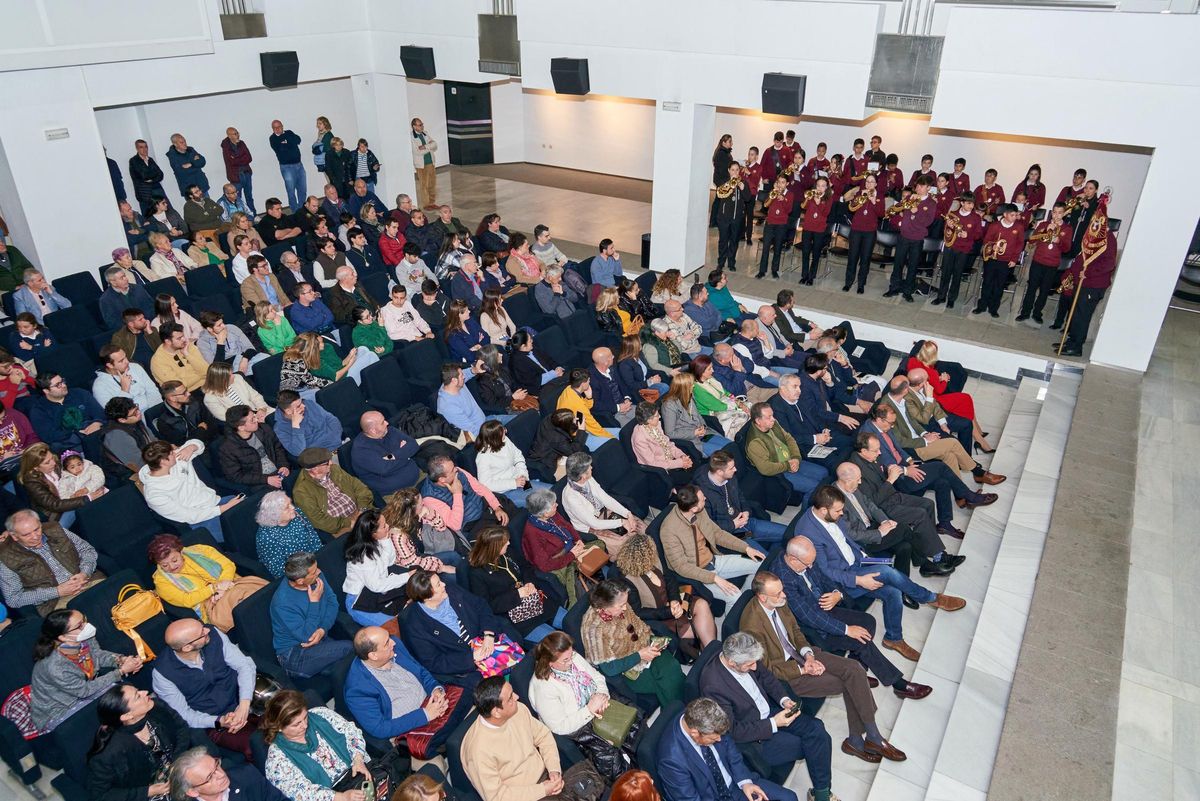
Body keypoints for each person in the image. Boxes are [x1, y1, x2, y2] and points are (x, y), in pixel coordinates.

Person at [738, 571, 903, 765]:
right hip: (788, 676)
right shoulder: (751, 626)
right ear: (762, 597)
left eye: (782, 590)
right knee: (849, 682)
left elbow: (796, 632)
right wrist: (803, 670)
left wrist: (808, 655)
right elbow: (766, 670)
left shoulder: (779, 602)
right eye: (778, 594)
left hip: (801, 656)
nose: (784, 595)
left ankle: (864, 738)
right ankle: (864, 739)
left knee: (855, 669)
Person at [797, 486, 965, 661]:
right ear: (823, 510)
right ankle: (931, 598)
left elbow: (845, 541)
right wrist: (859, 579)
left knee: (893, 591)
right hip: (842, 581)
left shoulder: (831, 515)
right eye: (838, 510)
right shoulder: (808, 533)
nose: (842, 514)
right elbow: (825, 572)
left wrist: (863, 556)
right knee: (888, 572)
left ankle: (894, 638)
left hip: (856, 562)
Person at [772, 535, 934, 699]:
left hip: (825, 607)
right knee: (860, 640)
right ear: (793, 560)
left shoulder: (804, 560)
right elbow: (809, 617)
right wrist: (847, 630)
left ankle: (858, 668)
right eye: (808, 564)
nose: (811, 566)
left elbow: (824, 578)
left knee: (868, 621)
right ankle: (898, 684)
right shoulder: (782, 579)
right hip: (812, 627)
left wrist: (837, 594)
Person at [699, 633, 836, 801]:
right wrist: (774, 723)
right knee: (813, 745)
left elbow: (767, 677)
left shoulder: (745, 654)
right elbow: (733, 731)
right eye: (750, 665)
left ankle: (821, 794)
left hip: (770, 711)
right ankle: (822, 795)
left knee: (817, 729)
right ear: (732, 663)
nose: (755, 667)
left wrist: (784, 700)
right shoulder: (713, 685)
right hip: (755, 737)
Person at [529, 631, 640, 781]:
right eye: (566, 660)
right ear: (550, 663)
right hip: (576, 724)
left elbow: (596, 676)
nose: (571, 661)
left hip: (596, 702)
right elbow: (560, 726)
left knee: (635, 719)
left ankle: (641, 763)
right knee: (610, 758)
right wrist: (590, 710)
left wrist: (602, 696)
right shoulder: (544, 687)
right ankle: (632, 784)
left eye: (571, 654)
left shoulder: (571, 657)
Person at [345, 625, 470, 757]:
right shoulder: (357, 689)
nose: (393, 642)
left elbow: (421, 672)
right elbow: (379, 728)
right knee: (458, 745)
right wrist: (425, 715)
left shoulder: (395, 646)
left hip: (432, 704)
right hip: (412, 728)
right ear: (374, 655)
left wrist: (436, 690)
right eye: (387, 643)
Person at [152, 618, 257, 762]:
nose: (207, 630)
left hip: (246, 697)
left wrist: (244, 704)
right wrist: (220, 721)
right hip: (216, 721)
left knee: (288, 716)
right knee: (255, 745)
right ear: (187, 647)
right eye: (201, 633)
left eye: (203, 627)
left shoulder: (214, 634)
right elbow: (184, 715)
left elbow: (244, 666)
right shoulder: (163, 673)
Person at [402, 569, 521, 691]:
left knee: (520, 666)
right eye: (438, 584)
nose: (444, 584)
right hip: (463, 663)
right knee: (496, 688)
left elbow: (481, 605)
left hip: (485, 639)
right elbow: (434, 662)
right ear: (427, 597)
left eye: (440, 581)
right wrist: (472, 657)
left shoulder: (452, 591)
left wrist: (489, 635)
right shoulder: (415, 625)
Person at [31, 608, 143, 733]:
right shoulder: (55, 667)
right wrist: (120, 672)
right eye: (79, 625)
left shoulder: (83, 637)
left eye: (84, 620)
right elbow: (85, 690)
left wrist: (121, 660)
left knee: (120, 697)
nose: (86, 626)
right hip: (58, 710)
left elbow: (98, 656)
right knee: (119, 702)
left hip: (81, 692)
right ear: (63, 637)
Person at [581, 579, 684, 707]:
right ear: (605, 607)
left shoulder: (621, 604)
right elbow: (609, 669)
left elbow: (637, 624)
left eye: (625, 603)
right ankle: (678, 714)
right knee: (666, 682)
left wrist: (649, 642)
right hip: (627, 668)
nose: (626, 607)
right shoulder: (594, 629)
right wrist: (639, 656)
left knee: (673, 667)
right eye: (621, 605)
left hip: (644, 647)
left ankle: (683, 708)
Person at [460, 675, 566, 801]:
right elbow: (497, 797)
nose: (517, 697)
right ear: (496, 712)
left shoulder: (517, 710)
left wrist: (554, 770)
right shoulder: (477, 751)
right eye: (510, 697)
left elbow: (543, 736)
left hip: (546, 777)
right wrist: (542, 790)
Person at [613, 533, 717, 659]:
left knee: (702, 605)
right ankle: (710, 658)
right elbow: (638, 612)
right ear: (643, 557)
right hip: (659, 615)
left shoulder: (654, 560)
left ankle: (711, 655)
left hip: (672, 602)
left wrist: (674, 600)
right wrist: (669, 611)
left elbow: (670, 579)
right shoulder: (627, 580)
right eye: (651, 552)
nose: (655, 553)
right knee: (693, 629)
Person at [88, 683, 194, 801]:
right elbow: (100, 796)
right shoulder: (109, 753)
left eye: (138, 690)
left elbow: (182, 728)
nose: (145, 692)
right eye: (137, 696)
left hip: (179, 769)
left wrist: (176, 760)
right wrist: (148, 791)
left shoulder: (156, 707)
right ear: (127, 715)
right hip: (148, 794)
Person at [261, 689, 372, 801]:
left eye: (305, 717)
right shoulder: (276, 759)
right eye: (297, 724)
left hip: (359, 771)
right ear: (279, 727)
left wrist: (358, 758)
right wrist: (341, 797)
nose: (304, 725)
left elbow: (351, 733)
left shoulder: (321, 714)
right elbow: (301, 793)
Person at [659, 485, 763, 603]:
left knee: (759, 562)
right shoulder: (669, 530)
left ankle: (747, 599)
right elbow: (681, 567)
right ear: (693, 508)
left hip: (714, 560)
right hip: (699, 574)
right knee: (735, 596)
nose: (705, 499)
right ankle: (737, 611)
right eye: (702, 498)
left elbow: (717, 533)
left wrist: (746, 548)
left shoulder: (700, 511)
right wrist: (714, 578)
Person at [148, 533, 267, 632]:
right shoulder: (161, 581)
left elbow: (227, 565)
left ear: (180, 551)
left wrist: (223, 585)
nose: (172, 566)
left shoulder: (200, 550)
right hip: (210, 604)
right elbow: (187, 600)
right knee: (246, 601)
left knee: (257, 594)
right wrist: (214, 589)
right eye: (164, 565)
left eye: (174, 560)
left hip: (233, 583)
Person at [468, 525, 566, 642]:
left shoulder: (507, 553)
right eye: (505, 542)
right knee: (558, 642)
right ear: (494, 547)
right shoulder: (477, 573)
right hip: (518, 617)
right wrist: (517, 594)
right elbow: (488, 606)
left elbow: (526, 568)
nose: (509, 543)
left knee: (572, 621)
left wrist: (530, 583)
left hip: (536, 600)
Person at [140, 440, 245, 543]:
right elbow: (189, 516)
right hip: (201, 520)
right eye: (171, 453)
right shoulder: (154, 494)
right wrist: (224, 508)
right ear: (163, 461)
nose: (175, 452)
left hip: (215, 502)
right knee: (242, 531)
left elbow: (198, 443)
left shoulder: (177, 460)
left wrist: (191, 447)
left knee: (254, 512)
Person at [271, 552, 353, 680]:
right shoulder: (283, 603)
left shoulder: (316, 578)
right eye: (314, 572)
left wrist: (322, 629)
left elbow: (333, 603)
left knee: (351, 668)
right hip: (294, 654)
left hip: (318, 640)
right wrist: (314, 602)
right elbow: (307, 636)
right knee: (351, 649)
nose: (319, 571)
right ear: (300, 581)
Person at [0, 508, 100, 614]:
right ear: (14, 536)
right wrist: (57, 592)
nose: (35, 536)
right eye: (27, 535)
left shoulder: (56, 529)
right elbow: (14, 599)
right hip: (56, 602)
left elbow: (87, 550)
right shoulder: (5, 557)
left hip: (88, 581)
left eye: (37, 529)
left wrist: (85, 572)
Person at [1052, 198, 1118, 357]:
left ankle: (1076, 346)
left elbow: (1109, 264)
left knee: (1082, 315)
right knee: (1075, 312)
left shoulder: (1108, 239)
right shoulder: (1092, 236)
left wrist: (1088, 273)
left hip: (1093, 284)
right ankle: (1071, 340)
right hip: (1081, 282)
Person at [694, 450, 788, 546]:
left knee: (789, 534)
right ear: (719, 472)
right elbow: (707, 526)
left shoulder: (730, 477)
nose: (735, 469)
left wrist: (746, 511)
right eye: (731, 468)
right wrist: (733, 525)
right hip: (730, 535)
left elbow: (740, 496)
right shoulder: (701, 494)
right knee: (761, 557)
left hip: (746, 522)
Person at [523, 488, 595, 607]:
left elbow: (567, 526)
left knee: (598, 545)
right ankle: (577, 604)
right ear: (545, 513)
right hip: (557, 562)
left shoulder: (553, 515)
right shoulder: (532, 533)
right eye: (553, 505)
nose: (557, 505)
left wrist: (578, 540)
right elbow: (545, 565)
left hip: (571, 549)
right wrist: (572, 555)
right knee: (576, 572)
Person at [742, 402, 825, 506]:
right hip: (779, 472)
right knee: (815, 487)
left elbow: (789, 439)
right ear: (758, 421)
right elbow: (765, 468)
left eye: (772, 415)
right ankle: (808, 514)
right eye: (769, 417)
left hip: (791, 460)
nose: (773, 419)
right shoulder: (755, 442)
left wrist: (796, 458)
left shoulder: (773, 423)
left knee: (824, 473)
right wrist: (787, 465)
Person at [561, 451, 641, 553]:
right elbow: (594, 523)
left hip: (603, 512)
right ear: (582, 475)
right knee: (625, 546)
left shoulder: (588, 479)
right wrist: (622, 522)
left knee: (637, 525)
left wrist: (627, 514)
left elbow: (605, 498)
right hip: (591, 526)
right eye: (589, 467)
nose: (592, 468)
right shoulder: (571, 497)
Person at [420, 453, 510, 537]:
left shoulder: (459, 472)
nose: (456, 469)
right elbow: (455, 525)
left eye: (454, 466)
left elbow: (480, 488)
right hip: (472, 525)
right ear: (442, 479)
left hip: (485, 506)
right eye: (452, 470)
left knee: (517, 518)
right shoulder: (430, 499)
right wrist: (457, 494)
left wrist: (496, 507)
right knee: (505, 536)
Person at [293, 446, 374, 537]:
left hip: (360, 511)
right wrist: (349, 522)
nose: (331, 463)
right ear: (315, 469)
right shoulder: (301, 491)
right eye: (327, 463)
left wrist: (362, 509)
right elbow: (320, 521)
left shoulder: (334, 469)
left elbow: (360, 487)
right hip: (341, 527)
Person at [883, 176, 938, 302]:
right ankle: (894, 287)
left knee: (913, 266)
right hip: (904, 236)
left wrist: (916, 211)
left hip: (917, 238)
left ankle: (908, 291)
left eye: (922, 186)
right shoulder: (910, 198)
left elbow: (927, 222)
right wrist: (895, 210)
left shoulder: (931, 203)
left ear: (928, 188)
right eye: (917, 186)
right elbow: (899, 208)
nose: (918, 188)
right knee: (898, 263)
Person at [169, 746, 287, 801]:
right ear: (193, 791)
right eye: (210, 777)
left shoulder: (246, 775)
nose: (221, 775)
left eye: (217, 765)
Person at [475, 420, 547, 507]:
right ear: (495, 438)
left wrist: (522, 474)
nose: (506, 431)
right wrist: (513, 483)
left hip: (518, 479)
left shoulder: (505, 440)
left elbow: (518, 456)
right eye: (503, 431)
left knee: (551, 492)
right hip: (503, 492)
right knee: (543, 502)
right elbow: (486, 484)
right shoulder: (483, 457)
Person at [931, 194, 986, 308]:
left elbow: (979, 234)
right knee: (945, 272)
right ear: (962, 203)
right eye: (968, 203)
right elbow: (945, 233)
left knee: (957, 274)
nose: (971, 206)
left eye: (972, 204)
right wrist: (949, 226)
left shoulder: (975, 218)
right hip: (950, 247)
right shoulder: (953, 214)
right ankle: (941, 297)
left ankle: (951, 299)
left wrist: (968, 234)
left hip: (964, 250)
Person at [972, 203, 1026, 318]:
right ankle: (982, 306)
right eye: (1012, 215)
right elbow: (986, 241)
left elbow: (1020, 244)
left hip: (1006, 261)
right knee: (987, 283)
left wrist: (1014, 259)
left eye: (1016, 215)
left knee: (999, 285)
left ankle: (993, 308)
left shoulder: (1019, 227)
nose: (1014, 218)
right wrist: (992, 246)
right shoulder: (995, 226)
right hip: (992, 259)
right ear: (1005, 215)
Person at [660, 371, 731, 457]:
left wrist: (702, 426)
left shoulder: (690, 396)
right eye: (691, 385)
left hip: (704, 434)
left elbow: (698, 415)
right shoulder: (669, 406)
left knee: (731, 446)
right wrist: (694, 433)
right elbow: (670, 433)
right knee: (725, 455)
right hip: (691, 440)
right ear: (683, 388)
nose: (693, 386)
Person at [349, 410, 419, 498]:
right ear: (373, 431)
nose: (387, 423)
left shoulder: (389, 431)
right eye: (382, 422)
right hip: (396, 494)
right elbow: (385, 468)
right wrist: (406, 455)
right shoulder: (361, 450)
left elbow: (413, 444)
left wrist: (393, 456)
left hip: (418, 477)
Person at [256, 491, 324, 580]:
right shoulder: (266, 537)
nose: (293, 507)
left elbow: (313, 536)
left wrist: (321, 555)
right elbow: (279, 570)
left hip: (314, 559)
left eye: (290, 503)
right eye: (287, 507)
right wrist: (309, 572)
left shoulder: (297, 513)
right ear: (275, 515)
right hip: (298, 573)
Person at [29, 373, 105, 453]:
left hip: (97, 435)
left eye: (62, 381)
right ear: (46, 391)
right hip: (70, 447)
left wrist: (97, 422)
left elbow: (99, 413)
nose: (64, 385)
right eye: (58, 385)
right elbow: (49, 436)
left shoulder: (80, 394)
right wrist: (76, 432)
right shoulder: (39, 410)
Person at [219, 404, 290, 489]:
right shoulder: (228, 449)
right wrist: (266, 479)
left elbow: (278, 448)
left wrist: (283, 465)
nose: (257, 420)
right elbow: (236, 476)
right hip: (259, 482)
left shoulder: (264, 428)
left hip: (279, 471)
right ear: (241, 427)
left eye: (255, 416)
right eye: (252, 420)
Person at [279, 332, 370, 393]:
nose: (323, 344)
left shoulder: (308, 355)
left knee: (363, 350)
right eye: (321, 343)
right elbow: (334, 377)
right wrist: (351, 363)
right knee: (370, 356)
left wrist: (350, 356)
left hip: (334, 378)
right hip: (338, 382)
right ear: (313, 347)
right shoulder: (304, 361)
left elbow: (338, 365)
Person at [630, 401, 692, 486]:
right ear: (648, 420)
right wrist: (680, 463)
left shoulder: (656, 424)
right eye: (656, 416)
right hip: (660, 470)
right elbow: (652, 463)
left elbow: (668, 444)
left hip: (671, 461)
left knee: (692, 465)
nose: (659, 417)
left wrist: (681, 456)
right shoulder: (639, 438)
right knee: (689, 478)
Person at [688, 355, 751, 440]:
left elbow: (725, 392)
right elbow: (716, 406)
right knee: (742, 415)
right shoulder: (697, 389)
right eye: (709, 369)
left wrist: (737, 401)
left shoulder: (710, 378)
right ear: (701, 372)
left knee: (750, 407)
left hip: (725, 403)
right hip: (714, 413)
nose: (713, 371)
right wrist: (738, 406)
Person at [92, 344, 159, 413]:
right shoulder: (99, 386)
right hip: (133, 419)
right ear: (110, 365)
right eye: (121, 361)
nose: (127, 362)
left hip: (153, 410)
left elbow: (153, 390)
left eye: (125, 357)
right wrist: (124, 391)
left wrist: (154, 412)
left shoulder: (135, 367)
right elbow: (116, 413)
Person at [155, 380, 218, 446]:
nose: (189, 394)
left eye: (186, 390)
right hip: (193, 451)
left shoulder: (194, 402)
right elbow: (181, 443)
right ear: (172, 398)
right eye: (184, 393)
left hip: (212, 440)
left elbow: (211, 423)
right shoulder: (164, 422)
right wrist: (200, 430)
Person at [204, 361, 272, 421]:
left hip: (259, 411)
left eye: (232, 373)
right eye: (230, 376)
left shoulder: (238, 378)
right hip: (243, 423)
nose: (233, 376)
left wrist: (262, 409)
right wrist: (252, 418)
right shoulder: (210, 398)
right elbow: (227, 417)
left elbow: (255, 396)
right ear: (221, 380)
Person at [798, 176, 835, 285]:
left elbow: (825, 213)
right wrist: (808, 199)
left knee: (816, 253)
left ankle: (811, 277)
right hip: (807, 227)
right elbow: (803, 206)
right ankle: (804, 275)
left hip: (819, 229)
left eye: (823, 186)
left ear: (826, 187)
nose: (820, 188)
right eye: (818, 185)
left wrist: (818, 202)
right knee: (805, 252)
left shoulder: (829, 198)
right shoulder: (811, 194)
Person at [529, 410, 587, 479]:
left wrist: (574, 424)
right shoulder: (557, 439)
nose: (575, 420)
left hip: (544, 445)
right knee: (580, 452)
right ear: (566, 425)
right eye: (573, 420)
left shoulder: (550, 417)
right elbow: (574, 451)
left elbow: (566, 430)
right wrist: (581, 430)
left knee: (584, 448)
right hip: (544, 461)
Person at [151, 323, 209, 391]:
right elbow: (179, 386)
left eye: (183, 336)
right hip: (186, 394)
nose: (184, 339)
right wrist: (200, 376)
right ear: (168, 341)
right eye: (179, 338)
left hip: (207, 385)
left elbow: (207, 370)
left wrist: (187, 354)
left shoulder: (188, 346)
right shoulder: (158, 361)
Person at [714, 162, 747, 272]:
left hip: (737, 218)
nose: (735, 172)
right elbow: (719, 195)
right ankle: (721, 262)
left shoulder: (743, 182)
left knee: (734, 241)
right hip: (724, 217)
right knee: (723, 241)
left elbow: (748, 198)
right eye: (732, 170)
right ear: (729, 170)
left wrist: (743, 188)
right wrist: (729, 185)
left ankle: (731, 262)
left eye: (737, 170)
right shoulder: (724, 182)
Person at [98, 265, 155, 329]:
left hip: (149, 323)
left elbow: (151, 306)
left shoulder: (138, 288)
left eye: (125, 276)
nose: (126, 279)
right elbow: (112, 322)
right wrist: (133, 326)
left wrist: (144, 322)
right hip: (129, 331)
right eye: (122, 278)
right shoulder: (106, 300)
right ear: (113, 283)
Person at [616, 332, 669, 401]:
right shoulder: (624, 365)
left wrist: (654, 377)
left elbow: (645, 371)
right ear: (634, 346)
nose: (641, 343)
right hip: (639, 391)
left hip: (646, 383)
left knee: (663, 374)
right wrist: (650, 382)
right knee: (664, 387)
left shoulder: (639, 355)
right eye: (639, 342)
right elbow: (631, 385)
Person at [270, 120, 306, 211]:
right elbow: (281, 149)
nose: (277, 129)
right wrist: (289, 142)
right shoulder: (273, 138)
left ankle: (302, 210)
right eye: (275, 127)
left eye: (279, 126)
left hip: (299, 165)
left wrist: (287, 141)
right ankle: (294, 211)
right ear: (272, 129)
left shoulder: (289, 132)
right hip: (287, 168)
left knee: (302, 189)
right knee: (291, 191)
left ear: (282, 126)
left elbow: (298, 140)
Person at [411, 117, 439, 209]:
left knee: (432, 183)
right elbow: (417, 152)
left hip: (430, 161)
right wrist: (429, 146)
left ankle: (432, 202)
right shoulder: (412, 137)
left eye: (422, 124)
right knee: (424, 184)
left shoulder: (425, 134)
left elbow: (435, 145)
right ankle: (426, 204)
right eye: (420, 125)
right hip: (421, 165)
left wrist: (425, 146)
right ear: (414, 126)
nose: (422, 126)